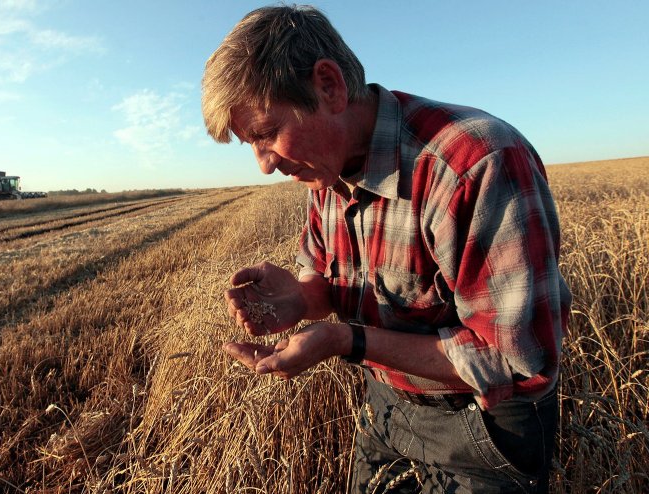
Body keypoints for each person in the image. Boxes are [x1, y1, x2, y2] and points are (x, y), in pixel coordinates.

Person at [202, 5, 571, 493]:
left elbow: (515, 358)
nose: (265, 165)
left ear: (329, 86)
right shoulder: (324, 170)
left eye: (267, 134)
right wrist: (301, 298)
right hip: (388, 405)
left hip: (484, 426)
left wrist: (344, 341)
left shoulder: (473, 164)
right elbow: (330, 281)